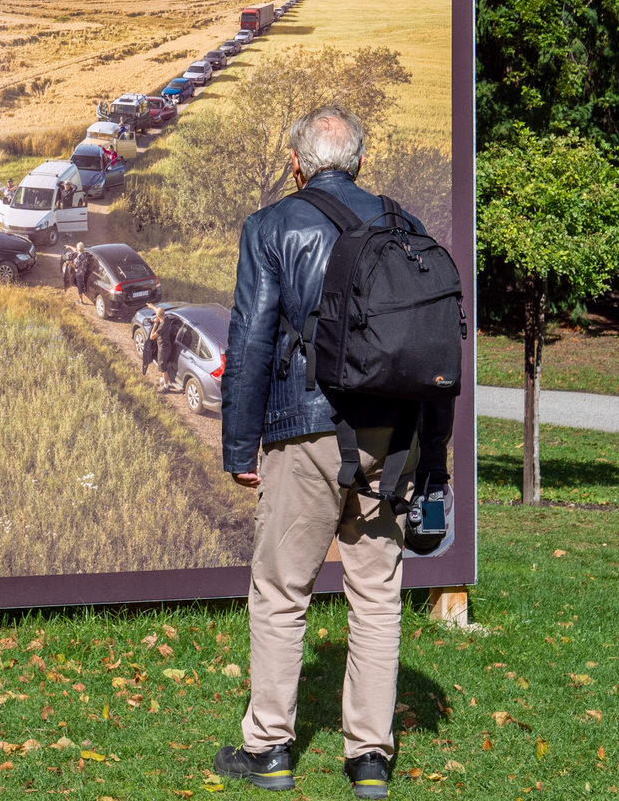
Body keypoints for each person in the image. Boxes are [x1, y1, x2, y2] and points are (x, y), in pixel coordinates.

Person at [212, 106, 445, 798]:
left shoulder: (272, 226)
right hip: (393, 438)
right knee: (377, 593)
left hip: (305, 430)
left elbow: (252, 339)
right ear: (362, 163)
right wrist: (433, 454)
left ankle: (271, 750)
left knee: (282, 590)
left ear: (295, 163)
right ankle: (370, 758)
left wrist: (238, 444)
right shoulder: (405, 226)